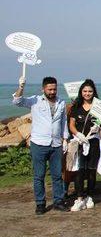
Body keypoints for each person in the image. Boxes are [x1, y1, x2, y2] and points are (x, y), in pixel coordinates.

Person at [13, 76, 69, 214]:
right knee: (39, 175)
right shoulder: (35, 100)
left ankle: (58, 201)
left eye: (54, 89)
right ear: (43, 89)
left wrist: (66, 139)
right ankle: (40, 203)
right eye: (49, 89)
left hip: (56, 144)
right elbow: (17, 101)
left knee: (57, 175)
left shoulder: (61, 102)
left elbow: (63, 122)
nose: (52, 92)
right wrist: (21, 87)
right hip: (39, 143)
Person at [68, 79, 101, 211]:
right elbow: (71, 125)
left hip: (94, 142)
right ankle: (80, 198)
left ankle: (89, 196)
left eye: (90, 91)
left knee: (92, 171)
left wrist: (98, 129)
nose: (87, 93)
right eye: (85, 91)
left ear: (94, 92)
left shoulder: (99, 107)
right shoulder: (76, 107)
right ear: (81, 92)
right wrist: (78, 134)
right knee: (80, 171)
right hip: (80, 143)